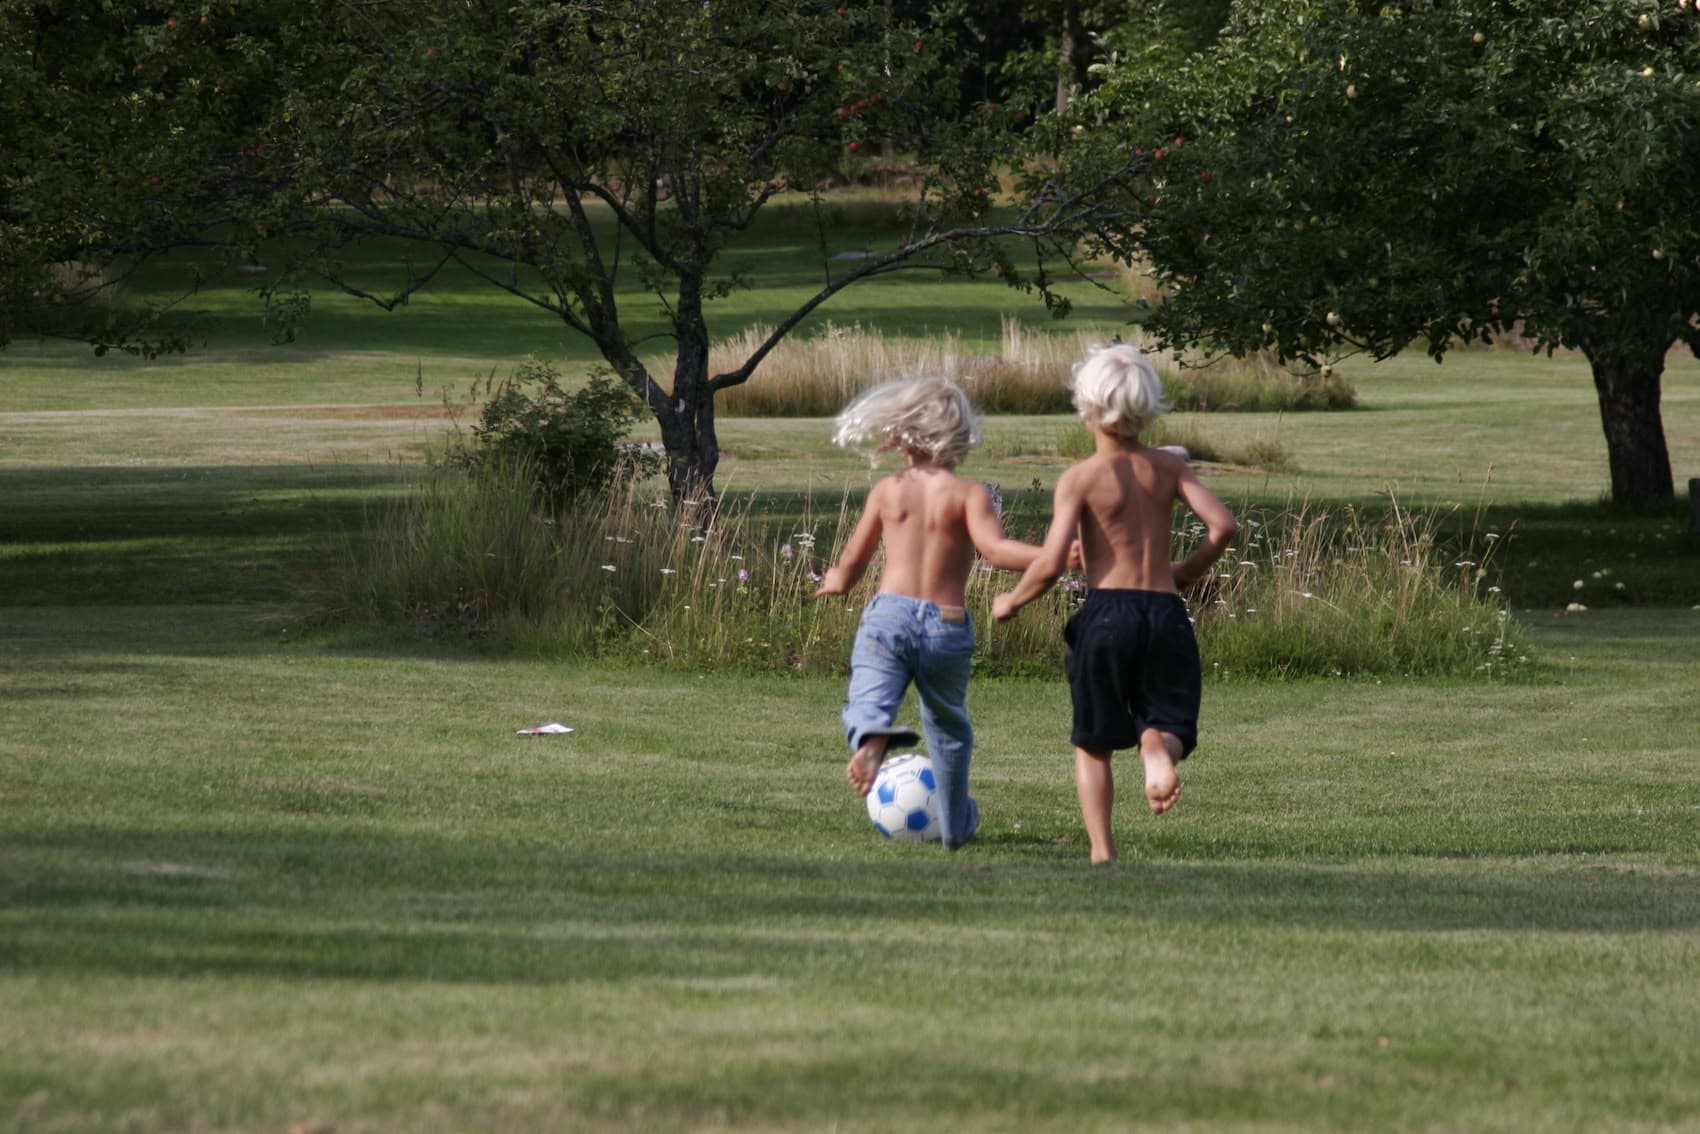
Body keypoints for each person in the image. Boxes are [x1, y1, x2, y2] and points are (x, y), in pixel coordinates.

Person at [992, 343, 1238, 864]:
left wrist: (1011, 601)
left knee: (1093, 742)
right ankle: (1156, 749)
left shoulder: (1079, 478)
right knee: (1170, 722)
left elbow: (1053, 563)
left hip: (1105, 615)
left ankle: (1102, 852)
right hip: (1165, 612)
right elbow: (1223, 526)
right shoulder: (1170, 469)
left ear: (1085, 407)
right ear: (1147, 407)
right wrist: (1188, 571)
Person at [814, 376, 1043, 850]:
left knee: (868, 694)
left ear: (900, 434)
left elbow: (854, 559)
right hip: (947, 623)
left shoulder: (888, 491)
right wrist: (1050, 556)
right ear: (960, 436)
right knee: (949, 727)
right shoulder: (968, 494)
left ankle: (872, 737)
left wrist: (836, 581)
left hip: (889, 616)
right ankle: (956, 828)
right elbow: (996, 551)